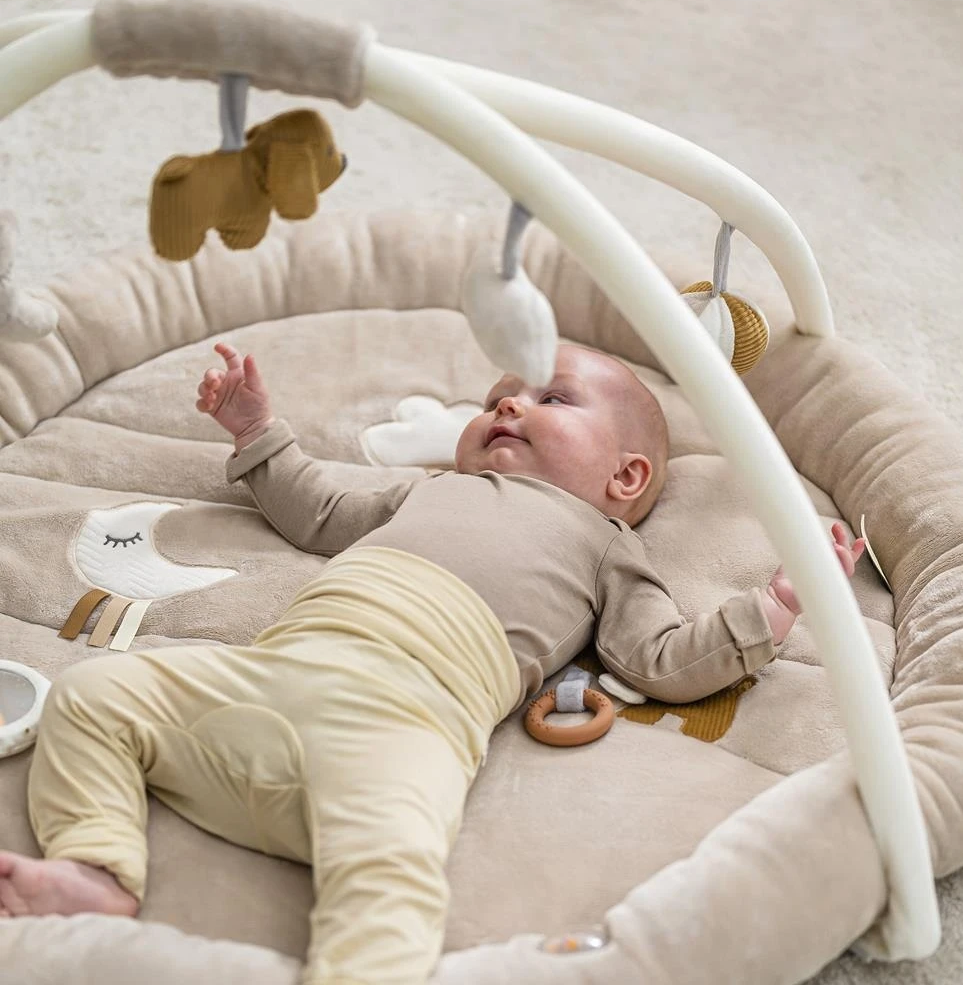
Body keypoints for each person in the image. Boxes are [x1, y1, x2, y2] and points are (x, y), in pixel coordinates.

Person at [0, 341, 864, 984]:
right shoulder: (428, 490)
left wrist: (775, 606)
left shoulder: (604, 546)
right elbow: (318, 511)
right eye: (497, 397)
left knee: (394, 869)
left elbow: (662, 659)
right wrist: (257, 431)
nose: (508, 404)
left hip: (404, 724)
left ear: (626, 478)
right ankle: (95, 868)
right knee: (95, 693)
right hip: (267, 682)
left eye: (552, 398)